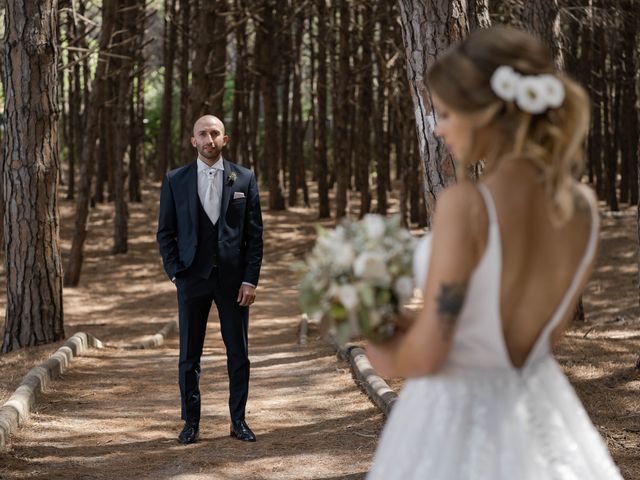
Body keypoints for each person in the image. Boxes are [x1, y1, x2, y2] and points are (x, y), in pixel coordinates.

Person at [365, 26, 623, 479]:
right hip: (543, 413)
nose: (439, 128)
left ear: (487, 112)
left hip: (454, 422)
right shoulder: (582, 207)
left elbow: (426, 357)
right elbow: (510, 338)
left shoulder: (467, 205)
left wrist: (372, 332)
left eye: (445, 113)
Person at [157, 115, 263, 445]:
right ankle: (191, 423)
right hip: (192, 279)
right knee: (189, 356)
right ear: (193, 140)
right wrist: (176, 273)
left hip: (233, 283)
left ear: (225, 139)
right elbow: (166, 232)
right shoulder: (176, 179)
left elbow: (255, 236)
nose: (209, 139)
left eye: (215, 133)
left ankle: (238, 421)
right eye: (202, 133)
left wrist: (250, 280)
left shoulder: (243, 178)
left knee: (239, 355)